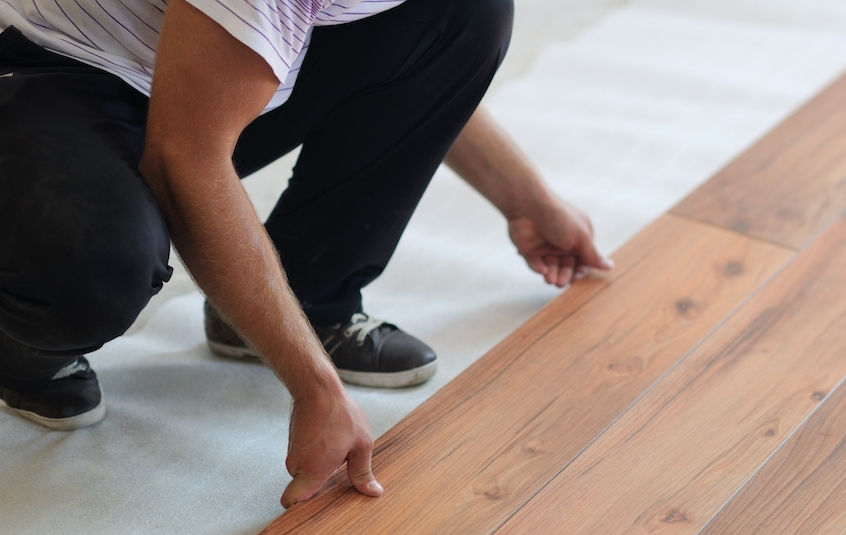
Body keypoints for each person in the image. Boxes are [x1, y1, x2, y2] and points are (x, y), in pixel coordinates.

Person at [0, 0, 612, 507]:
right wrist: (316, 391)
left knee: (460, 11)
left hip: (203, 61)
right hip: (55, 66)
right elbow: (183, 155)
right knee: (93, 263)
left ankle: (312, 293)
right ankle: (23, 346)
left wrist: (526, 198)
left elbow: (408, 43)